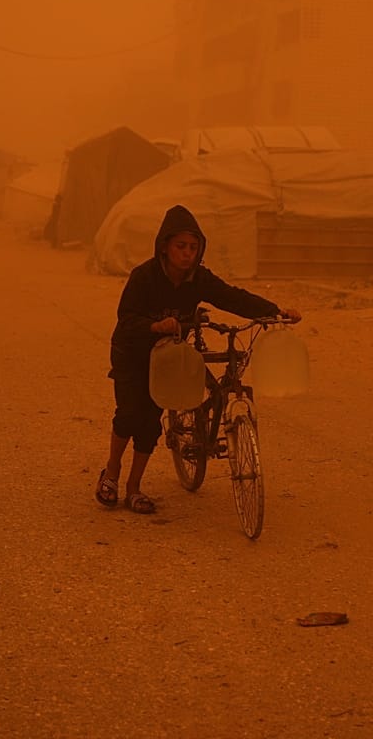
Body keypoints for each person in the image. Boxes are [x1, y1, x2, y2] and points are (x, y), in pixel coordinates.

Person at [97, 205, 302, 514]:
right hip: (133, 352)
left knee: (150, 423)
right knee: (129, 414)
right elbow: (125, 319)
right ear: (164, 246)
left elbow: (232, 297)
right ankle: (111, 473)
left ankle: (134, 487)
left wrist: (274, 312)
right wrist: (154, 326)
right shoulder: (144, 277)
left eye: (193, 248)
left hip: (167, 355)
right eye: (181, 246)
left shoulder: (199, 279)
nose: (187, 254)